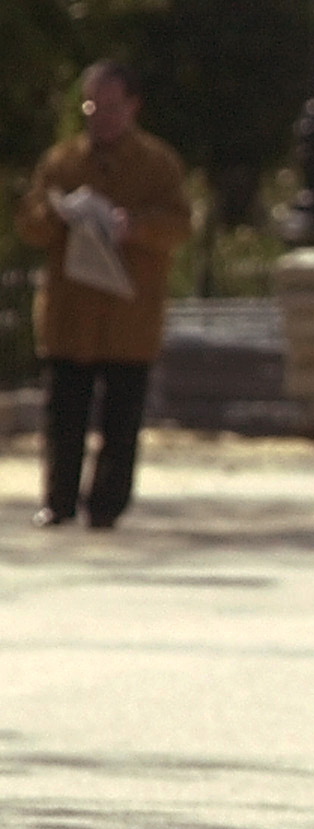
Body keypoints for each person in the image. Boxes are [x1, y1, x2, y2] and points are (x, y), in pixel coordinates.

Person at [13, 60, 190, 530]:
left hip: (129, 316)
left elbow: (180, 224)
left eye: (110, 106)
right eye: (92, 105)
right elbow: (30, 219)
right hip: (70, 314)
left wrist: (135, 227)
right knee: (63, 416)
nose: (100, 115)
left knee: (121, 420)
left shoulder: (158, 164)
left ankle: (107, 507)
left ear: (132, 106)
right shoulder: (62, 162)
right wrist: (58, 217)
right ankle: (59, 501)